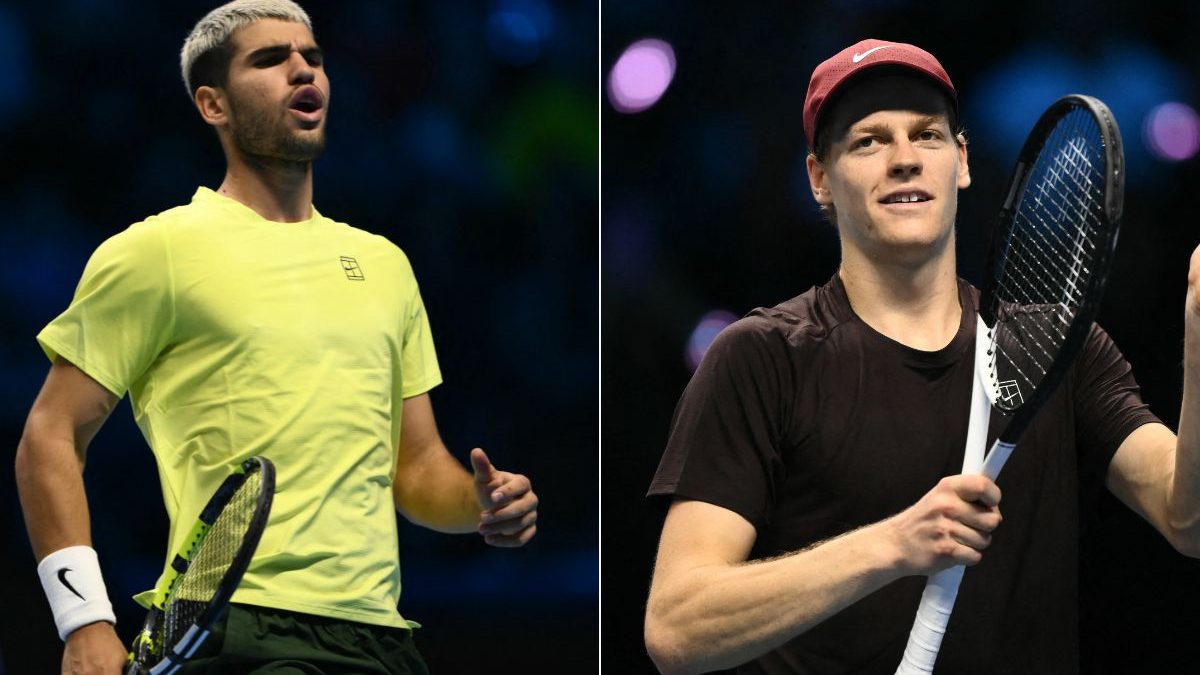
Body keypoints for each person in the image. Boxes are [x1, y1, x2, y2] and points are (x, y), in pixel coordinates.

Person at [643, 38, 1200, 674]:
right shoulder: (762, 358)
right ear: (819, 179)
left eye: (927, 135)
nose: (905, 159)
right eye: (869, 141)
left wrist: (1199, 334)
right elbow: (677, 627)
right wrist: (892, 545)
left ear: (961, 161)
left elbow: (1189, 520)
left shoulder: (1054, 348)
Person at [14, 2, 538, 673]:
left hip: (381, 639)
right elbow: (49, 437)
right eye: (270, 59)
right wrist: (83, 619)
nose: (302, 69)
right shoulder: (157, 251)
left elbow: (414, 468)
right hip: (240, 634)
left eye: (312, 57)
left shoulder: (384, 264)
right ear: (213, 105)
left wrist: (482, 503)